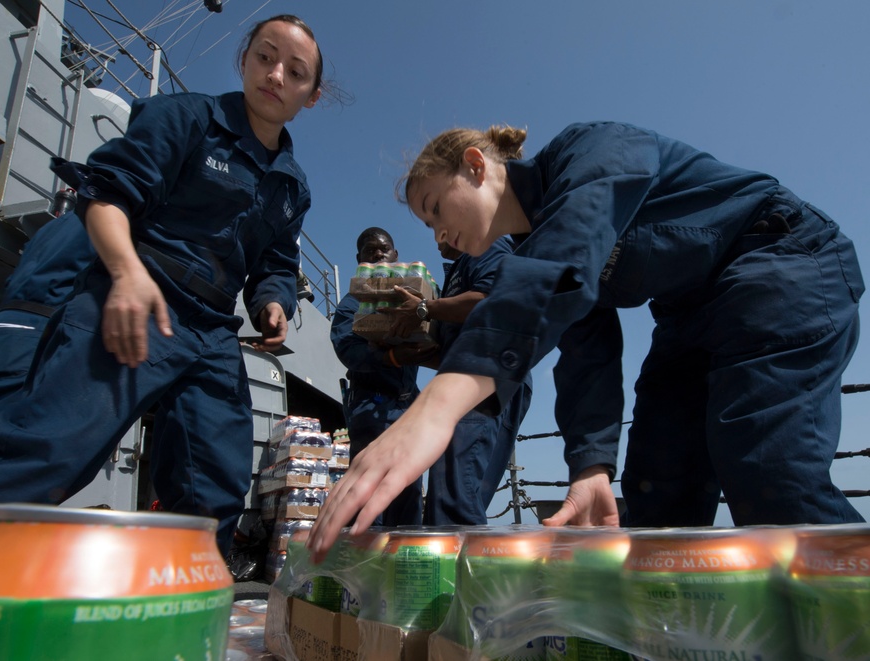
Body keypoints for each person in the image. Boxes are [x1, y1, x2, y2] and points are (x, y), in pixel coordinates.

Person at [309, 121, 865, 558]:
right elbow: (586, 352)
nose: (438, 234)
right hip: (686, 314)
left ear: (476, 166)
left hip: (781, 263)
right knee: (656, 484)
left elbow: (568, 255)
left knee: (769, 475)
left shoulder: (590, 151)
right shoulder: (537, 256)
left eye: (434, 208)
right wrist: (590, 467)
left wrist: (435, 410)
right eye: (428, 227)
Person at [0, 14, 330, 555]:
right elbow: (106, 195)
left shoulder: (292, 186)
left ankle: (179, 598)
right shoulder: (185, 118)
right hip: (141, 293)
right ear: (244, 60)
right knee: (49, 446)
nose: (276, 75)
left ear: (311, 96)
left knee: (216, 482)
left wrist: (272, 301)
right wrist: (127, 273)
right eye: (265, 57)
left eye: (295, 72)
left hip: (212, 331)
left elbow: (274, 260)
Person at [388, 237, 533, 526]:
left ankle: (456, 568)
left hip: (487, 372)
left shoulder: (484, 247)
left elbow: (495, 300)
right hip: (471, 375)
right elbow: (447, 352)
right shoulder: (457, 271)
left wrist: (424, 308)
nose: (437, 237)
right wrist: (405, 354)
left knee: (455, 491)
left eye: (438, 223)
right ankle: (461, 565)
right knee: (457, 491)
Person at [330, 227, 434, 525]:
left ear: (395, 255)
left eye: (383, 248)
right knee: (368, 496)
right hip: (371, 407)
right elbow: (347, 348)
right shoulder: (352, 303)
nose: (377, 253)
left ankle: (404, 561)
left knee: (409, 492)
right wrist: (390, 356)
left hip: (407, 410)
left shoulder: (415, 301)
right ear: (359, 259)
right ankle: (364, 567)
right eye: (369, 250)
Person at [0, 213, 94, 414]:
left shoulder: (54, 226)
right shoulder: (108, 222)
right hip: (42, 327)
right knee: (21, 427)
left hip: (4, 326)